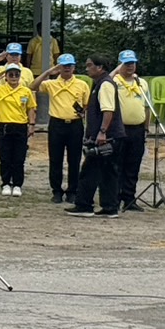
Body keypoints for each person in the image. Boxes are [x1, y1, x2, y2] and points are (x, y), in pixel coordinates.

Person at [66, 54, 125, 218]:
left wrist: (102, 132)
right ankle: (110, 206)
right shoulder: (102, 83)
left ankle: (84, 205)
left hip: (106, 137)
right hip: (113, 135)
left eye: (89, 65)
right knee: (108, 172)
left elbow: (108, 110)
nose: (87, 69)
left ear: (100, 67)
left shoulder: (105, 85)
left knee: (90, 170)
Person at [33, 55, 87, 204]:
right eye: (64, 65)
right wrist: (48, 72)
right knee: (55, 159)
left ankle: (72, 191)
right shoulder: (51, 84)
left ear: (74, 67)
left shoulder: (82, 84)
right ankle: (56, 190)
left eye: (70, 65)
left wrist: (82, 113)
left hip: (75, 124)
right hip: (57, 124)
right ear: (59, 67)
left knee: (74, 160)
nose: (67, 68)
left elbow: (86, 103)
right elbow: (33, 86)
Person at [0, 65, 35, 196]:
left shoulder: (25, 91)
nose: (14, 77)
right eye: (11, 74)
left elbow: (31, 108)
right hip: (4, 126)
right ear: (6, 76)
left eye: (16, 74)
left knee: (19, 157)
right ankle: (5, 183)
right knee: (4, 157)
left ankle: (17, 184)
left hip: (20, 126)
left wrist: (32, 125)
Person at [115, 51, 151, 212]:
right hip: (119, 129)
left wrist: (146, 128)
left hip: (137, 129)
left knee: (133, 165)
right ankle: (114, 197)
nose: (130, 66)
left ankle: (129, 198)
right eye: (126, 63)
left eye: (132, 63)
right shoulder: (114, 81)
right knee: (117, 164)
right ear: (120, 64)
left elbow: (147, 107)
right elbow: (102, 84)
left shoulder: (141, 83)